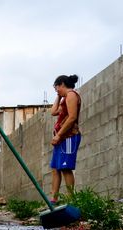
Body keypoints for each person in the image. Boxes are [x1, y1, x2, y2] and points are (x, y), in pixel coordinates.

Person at [49, 74, 82, 204]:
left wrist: (59, 135)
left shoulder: (72, 95)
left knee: (65, 168)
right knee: (55, 168)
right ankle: (53, 199)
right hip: (62, 138)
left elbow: (72, 117)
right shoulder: (64, 98)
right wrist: (58, 95)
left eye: (56, 88)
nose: (56, 90)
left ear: (62, 84)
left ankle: (71, 199)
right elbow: (53, 112)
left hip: (68, 137)